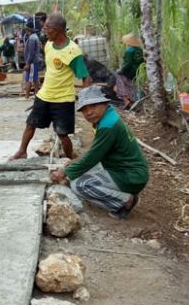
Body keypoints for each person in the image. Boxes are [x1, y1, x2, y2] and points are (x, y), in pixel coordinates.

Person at [49, 86, 149, 219]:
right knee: (77, 171)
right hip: (124, 169)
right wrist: (73, 167)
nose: (89, 112)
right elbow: (96, 152)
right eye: (84, 109)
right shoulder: (108, 117)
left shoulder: (108, 126)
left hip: (130, 176)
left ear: (105, 103)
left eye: (93, 106)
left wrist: (65, 172)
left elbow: (92, 158)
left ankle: (125, 201)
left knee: (79, 185)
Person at [10, 13, 90, 161]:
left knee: (62, 133)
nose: (44, 32)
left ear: (58, 30)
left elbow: (85, 77)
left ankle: (71, 159)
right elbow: (51, 69)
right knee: (30, 124)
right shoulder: (48, 45)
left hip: (63, 99)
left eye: (47, 29)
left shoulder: (73, 51)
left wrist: (86, 101)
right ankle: (22, 151)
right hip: (44, 95)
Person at [115, 33, 145, 109]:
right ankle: (134, 100)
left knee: (119, 79)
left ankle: (126, 99)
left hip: (130, 72)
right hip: (139, 71)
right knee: (136, 85)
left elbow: (128, 64)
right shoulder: (140, 50)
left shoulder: (129, 51)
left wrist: (121, 70)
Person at [22, 18, 44, 100]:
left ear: (28, 30)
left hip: (32, 62)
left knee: (29, 79)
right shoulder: (34, 37)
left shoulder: (31, 38)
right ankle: (36, 94)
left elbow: (31, 52)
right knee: (34, 79)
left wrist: (27, 63)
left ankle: (27, 96)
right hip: (34, 61)